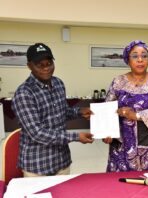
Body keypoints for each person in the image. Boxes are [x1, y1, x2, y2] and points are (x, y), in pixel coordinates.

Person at [12, 43, 94, 177]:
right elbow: (37, 133)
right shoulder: (24, 93)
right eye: (40, 65)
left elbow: (62, 112)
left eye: (49, 63)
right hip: (37, 166)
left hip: (61, 161)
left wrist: (80, 112)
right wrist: (76, 136)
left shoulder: (58, 83)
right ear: (29, 66)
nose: (46, 68)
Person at [103, 40, 148, 172]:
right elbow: (107, 108)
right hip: (122, 146)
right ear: (128, 60)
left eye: (144, 56)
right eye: (135, 56)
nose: (140, 59)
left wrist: (136, 115)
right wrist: (107, 132)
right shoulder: (118, 82)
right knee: (121, 186)